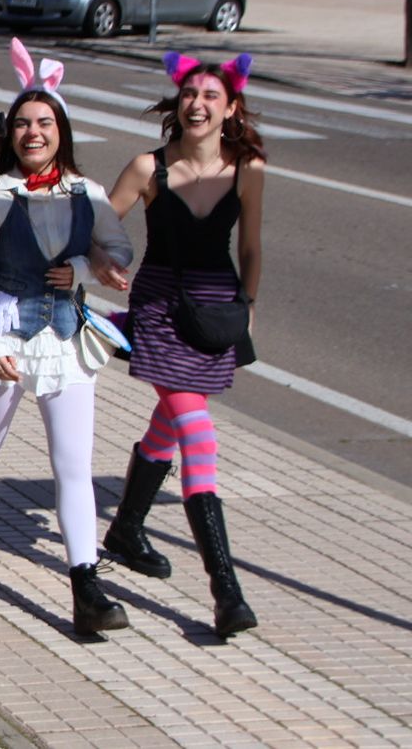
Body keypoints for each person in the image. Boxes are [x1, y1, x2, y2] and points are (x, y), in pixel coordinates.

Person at [0, 40, 135, 636]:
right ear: (12, 133)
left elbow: (119, 247)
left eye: (45, 122)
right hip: (5, 331)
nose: (33, 132)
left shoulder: (88, 191)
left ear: (61, 130)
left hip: (66, 339)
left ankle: (86, 585)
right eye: (23, 123)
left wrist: (84, 269)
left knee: (73, 465)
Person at [96, 51, 265, 639]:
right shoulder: (148, 167)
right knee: (197, 431)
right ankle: (226, 591)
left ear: (230, 108)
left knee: (171, 420)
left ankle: (124, 530)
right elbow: (99, 224)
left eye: (211, 95)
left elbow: (251, 246)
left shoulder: (248, 166)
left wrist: (248, 307)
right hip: (161, 306)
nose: (198, 102)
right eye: (190, 93)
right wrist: (100, 260)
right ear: (178, 104)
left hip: (216, 311)